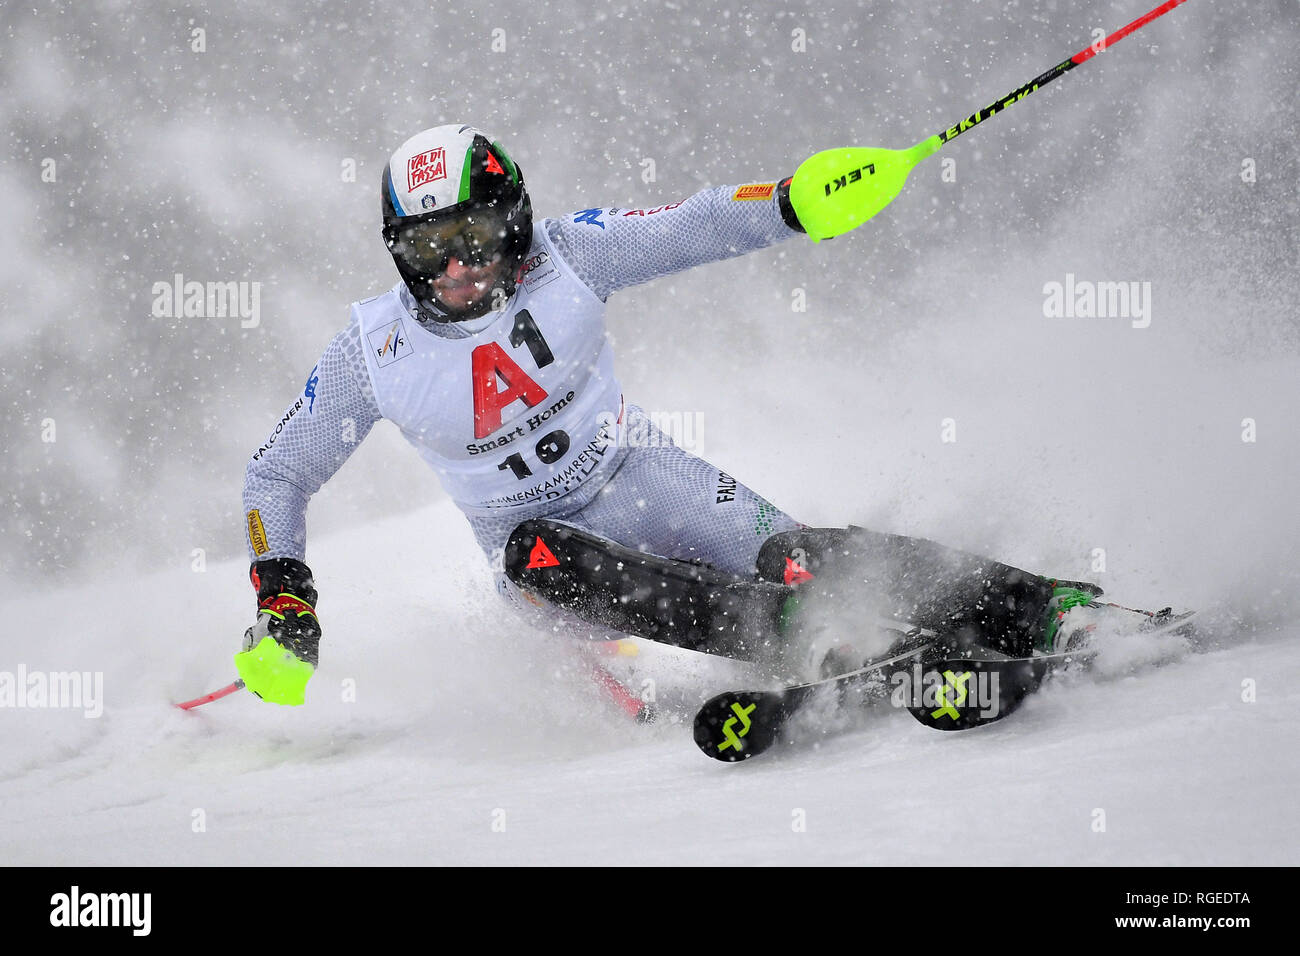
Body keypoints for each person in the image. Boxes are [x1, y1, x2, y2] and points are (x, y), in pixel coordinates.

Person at [235, 123, 1103, 706]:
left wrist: (794, 203)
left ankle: (1036, 602)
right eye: (429, 249)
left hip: (640, 477)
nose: (458, 269)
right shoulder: (372, 350)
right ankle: (810, 642)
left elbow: (693, 225)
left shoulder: (568, 253)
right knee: (536, 553)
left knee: (800, 555)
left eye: (476, 238)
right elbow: (278, 472)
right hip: (540, 558)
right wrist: (284, 596)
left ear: (517, 219)